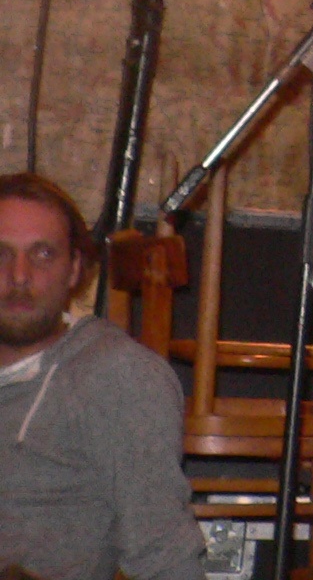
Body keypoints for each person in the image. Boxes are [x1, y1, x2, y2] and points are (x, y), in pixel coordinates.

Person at [0, 172, 204, 580]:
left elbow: (165, 557)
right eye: (0, 254)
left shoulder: (116, 378)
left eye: (43, 254)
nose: (19, 276)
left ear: (75, 269)